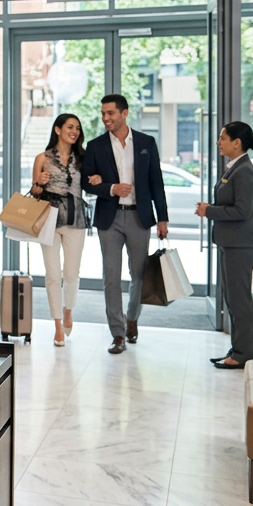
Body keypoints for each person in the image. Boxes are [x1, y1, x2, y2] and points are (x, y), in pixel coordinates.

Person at [82, 94, 169, 355]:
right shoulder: (95, 146)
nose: (106, 118)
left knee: (139, 274)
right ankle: (117, 333)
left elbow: (156, 182)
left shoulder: (145, 143)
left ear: (124, 113)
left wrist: (162, 217)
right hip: (109, 218)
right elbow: (86, 182)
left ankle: (132, 319)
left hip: (139, 216)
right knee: (110, 277)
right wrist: (110, 188)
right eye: (103, 113)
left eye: (110, 113)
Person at [197, 122, 253, 370]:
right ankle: (237, 348)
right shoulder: (234, 168)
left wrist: (209, 211)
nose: (219, 142)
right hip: (231, 243)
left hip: (241, 244)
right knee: (233, 299)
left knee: (239, 301)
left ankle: (243, 353)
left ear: (237, 142)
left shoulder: (244, 170)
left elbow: (242, 210)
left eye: (223, 138)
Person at [29, 113, 90, 347]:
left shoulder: (83, 158)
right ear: (57, 130)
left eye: (77, 127)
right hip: (49, 218)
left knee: (71, 272)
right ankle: (57, 324)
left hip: (76, 218)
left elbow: (89, 183)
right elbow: (34, 192)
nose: (74, 131)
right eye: (69, 127)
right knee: (53, 274)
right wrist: (40, 182)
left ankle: (68, 310)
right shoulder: (42, 157)